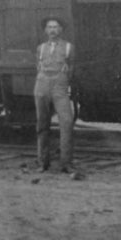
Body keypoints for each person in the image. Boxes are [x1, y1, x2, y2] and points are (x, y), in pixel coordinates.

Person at [34, 17, 78, 175]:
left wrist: (64, 83)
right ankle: (42, 163)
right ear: (45, 30)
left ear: (61, 30)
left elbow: (71, 69)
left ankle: (66, 163)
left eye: (56, 27)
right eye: (49, 27)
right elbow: (38, 67)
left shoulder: (68, 47)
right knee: (42, 125)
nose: (52, 30)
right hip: (42, 86)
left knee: (66, 123)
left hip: (60, 87)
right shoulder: (40, 48)